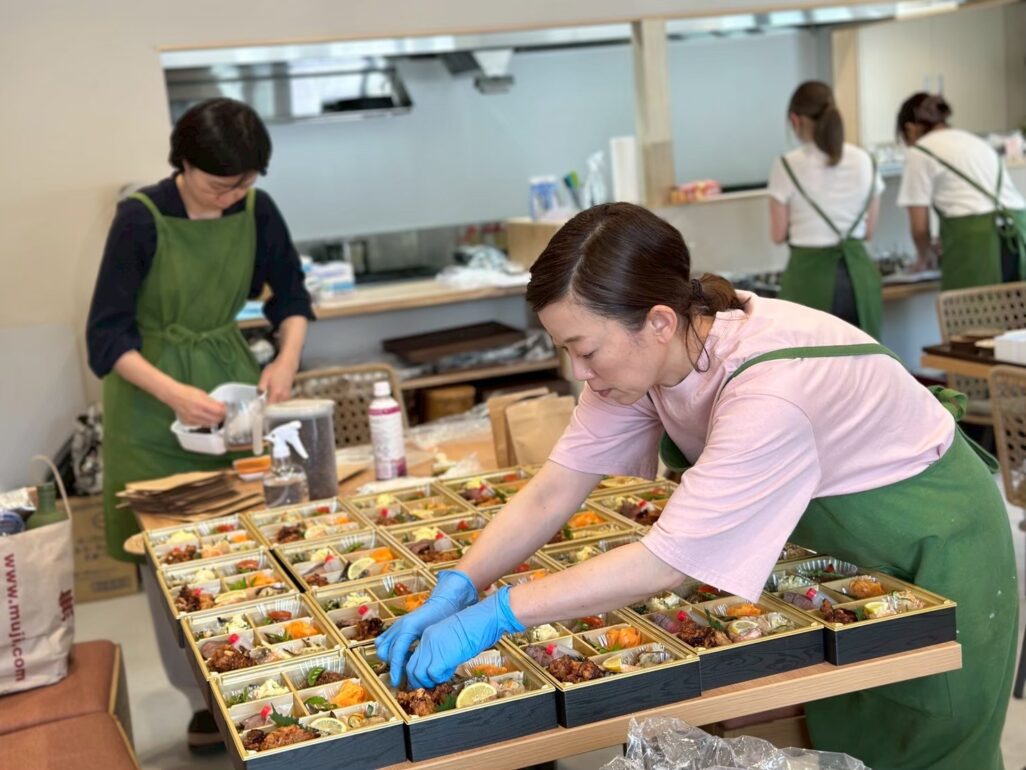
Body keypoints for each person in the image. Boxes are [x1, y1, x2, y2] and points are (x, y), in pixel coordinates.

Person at [376, 203, 1018, 770]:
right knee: (845, 740)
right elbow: (555, 489)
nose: (577, 371)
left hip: (931, 548)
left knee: (923, 745)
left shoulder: (768, 389)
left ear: (657, 320)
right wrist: (458, 585)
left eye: (585, 350)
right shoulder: (647, 361)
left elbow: (665, 561)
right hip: (838, 557)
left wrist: (501, 612)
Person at [86, 97, 314, 751]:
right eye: (220, 184)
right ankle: (199, 698)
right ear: (182, 163)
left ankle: (260, 676)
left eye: (244, 182)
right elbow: (106, 336)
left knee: (248, 536)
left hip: (230, 388)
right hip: (150, 402)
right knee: (170, 560)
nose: (232, 196)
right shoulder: (141, 218)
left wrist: (285, 362)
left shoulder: (256, 209)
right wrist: (173, 394)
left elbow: (291, 295)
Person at [768, 81, 884, 338]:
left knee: (811, 357)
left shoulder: (786, 165)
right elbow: (869, 231)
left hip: (809, 279)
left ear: (795, 120)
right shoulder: (865, 160)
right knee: (863, 358)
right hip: (859, 280)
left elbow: (777, 234)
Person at [897, 92, 1026, 290]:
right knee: (1015, 307)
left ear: (910, 129)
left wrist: (925, 257)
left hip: (976, 243)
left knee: (974, 309)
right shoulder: (977, 142)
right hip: (1018, 233)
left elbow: (919, 227)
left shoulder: (920, 152)